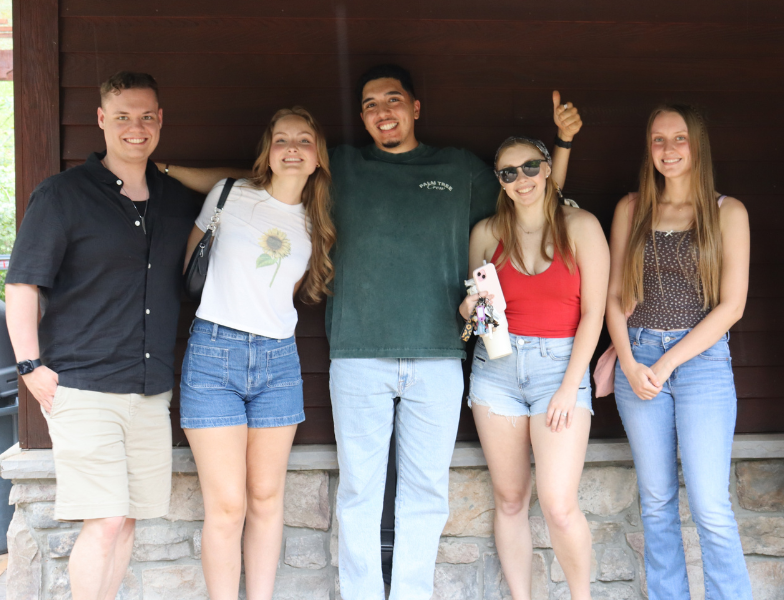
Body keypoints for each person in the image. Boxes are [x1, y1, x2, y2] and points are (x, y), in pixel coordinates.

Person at [160, 64, 582, 600]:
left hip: (438, 354)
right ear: (361, 118)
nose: (383, 112)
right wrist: (168, 168)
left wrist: (563, 143)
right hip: (358, 353)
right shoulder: (343, 167)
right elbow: (253, 180)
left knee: (426, 491)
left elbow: (534, 200)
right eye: (370, 104)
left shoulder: (458, 169)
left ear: (415, 107)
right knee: (360, 489)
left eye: (393, 99)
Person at [4, 72, 200, 600]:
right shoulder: (63, 195)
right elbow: (21, 284)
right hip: (83, 386)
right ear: (101, 120)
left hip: (148, 388)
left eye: (146, 116)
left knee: (130, 519)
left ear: (160, 120)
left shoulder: (176, 199)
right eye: (122, 116)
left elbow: (246, 181)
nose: (135, 127)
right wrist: (29, 367)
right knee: (107, 519)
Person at [179, 107, 335, 600]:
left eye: (303, 140)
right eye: (281, 139)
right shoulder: (231, 196)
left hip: (278, 362)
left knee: (267, 499)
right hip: (213, 355)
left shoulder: (318, 222)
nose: (292, 148)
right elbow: (191, 266)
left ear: (317, 158)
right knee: (227, 505)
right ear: (268, 151)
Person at [604, 104, 752, 599]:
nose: (668, 149)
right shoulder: (631, 208)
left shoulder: (727, 211)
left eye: (679, 138)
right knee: (658, 502)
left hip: (701, 364)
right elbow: (615, 297)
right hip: (638, 357)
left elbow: (731, 306)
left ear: (698, 145)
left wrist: (668, 362)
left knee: (710, 504)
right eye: (659, 140)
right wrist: (628, 362)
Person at [461, 134, 608, 600]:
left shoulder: (581, 226)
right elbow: (480, 312)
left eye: (529, 168)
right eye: (508, 172)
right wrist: (471, 310)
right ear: (500, 182)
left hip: (559, 367)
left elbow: (594, 313)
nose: (520, 179)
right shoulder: (486, 233)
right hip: (496, 368)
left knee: (559, 505)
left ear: (547, 169)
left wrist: (570, 387)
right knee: (509, 500)